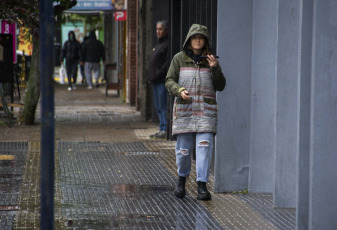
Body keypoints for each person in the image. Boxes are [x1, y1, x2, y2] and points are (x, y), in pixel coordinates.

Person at [165, 24, 226, 200]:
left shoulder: (212, 60)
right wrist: (178, 90)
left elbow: (221, 86)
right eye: (194, 37)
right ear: (189, 40)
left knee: (204, 147)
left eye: (201, 37)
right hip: (185, 110)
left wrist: (215, 67)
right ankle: (181, 180)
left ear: (205, 41)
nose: (197, 40)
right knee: (183, 150)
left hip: (206, 112)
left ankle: (202, 185)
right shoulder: (179, 59)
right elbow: (169, 80)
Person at [148, 20, 170, 139]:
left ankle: (165, 129)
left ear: (166, 30)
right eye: (157, 29)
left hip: (162, 81)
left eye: (160, 29)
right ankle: (161, 128)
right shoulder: (158, 45)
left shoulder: (167, 45)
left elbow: (167, 64)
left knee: (163, 105)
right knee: (158, 106)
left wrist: (158, 74)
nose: (157, 31)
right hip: (155, 80)